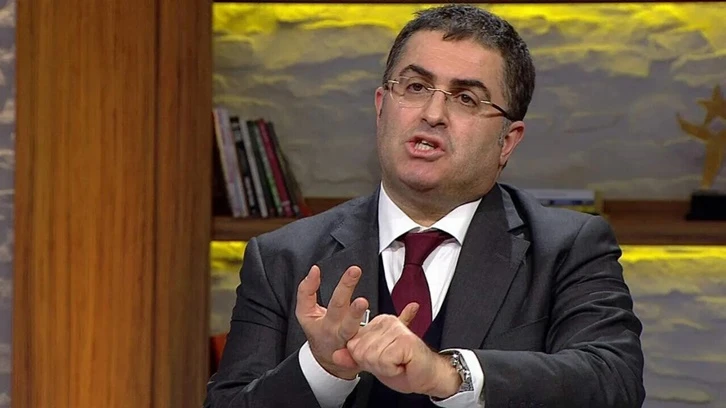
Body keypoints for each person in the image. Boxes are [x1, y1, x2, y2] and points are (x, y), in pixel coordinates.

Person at [204, 4, 645, 408]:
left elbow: (613, 382)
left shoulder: (567, 248)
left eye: (466, 98)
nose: (433, 113)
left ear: (507, 142)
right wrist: (322, 369)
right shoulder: (283, 257)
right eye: (415, 87)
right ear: (382, 107)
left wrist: (447, 373)